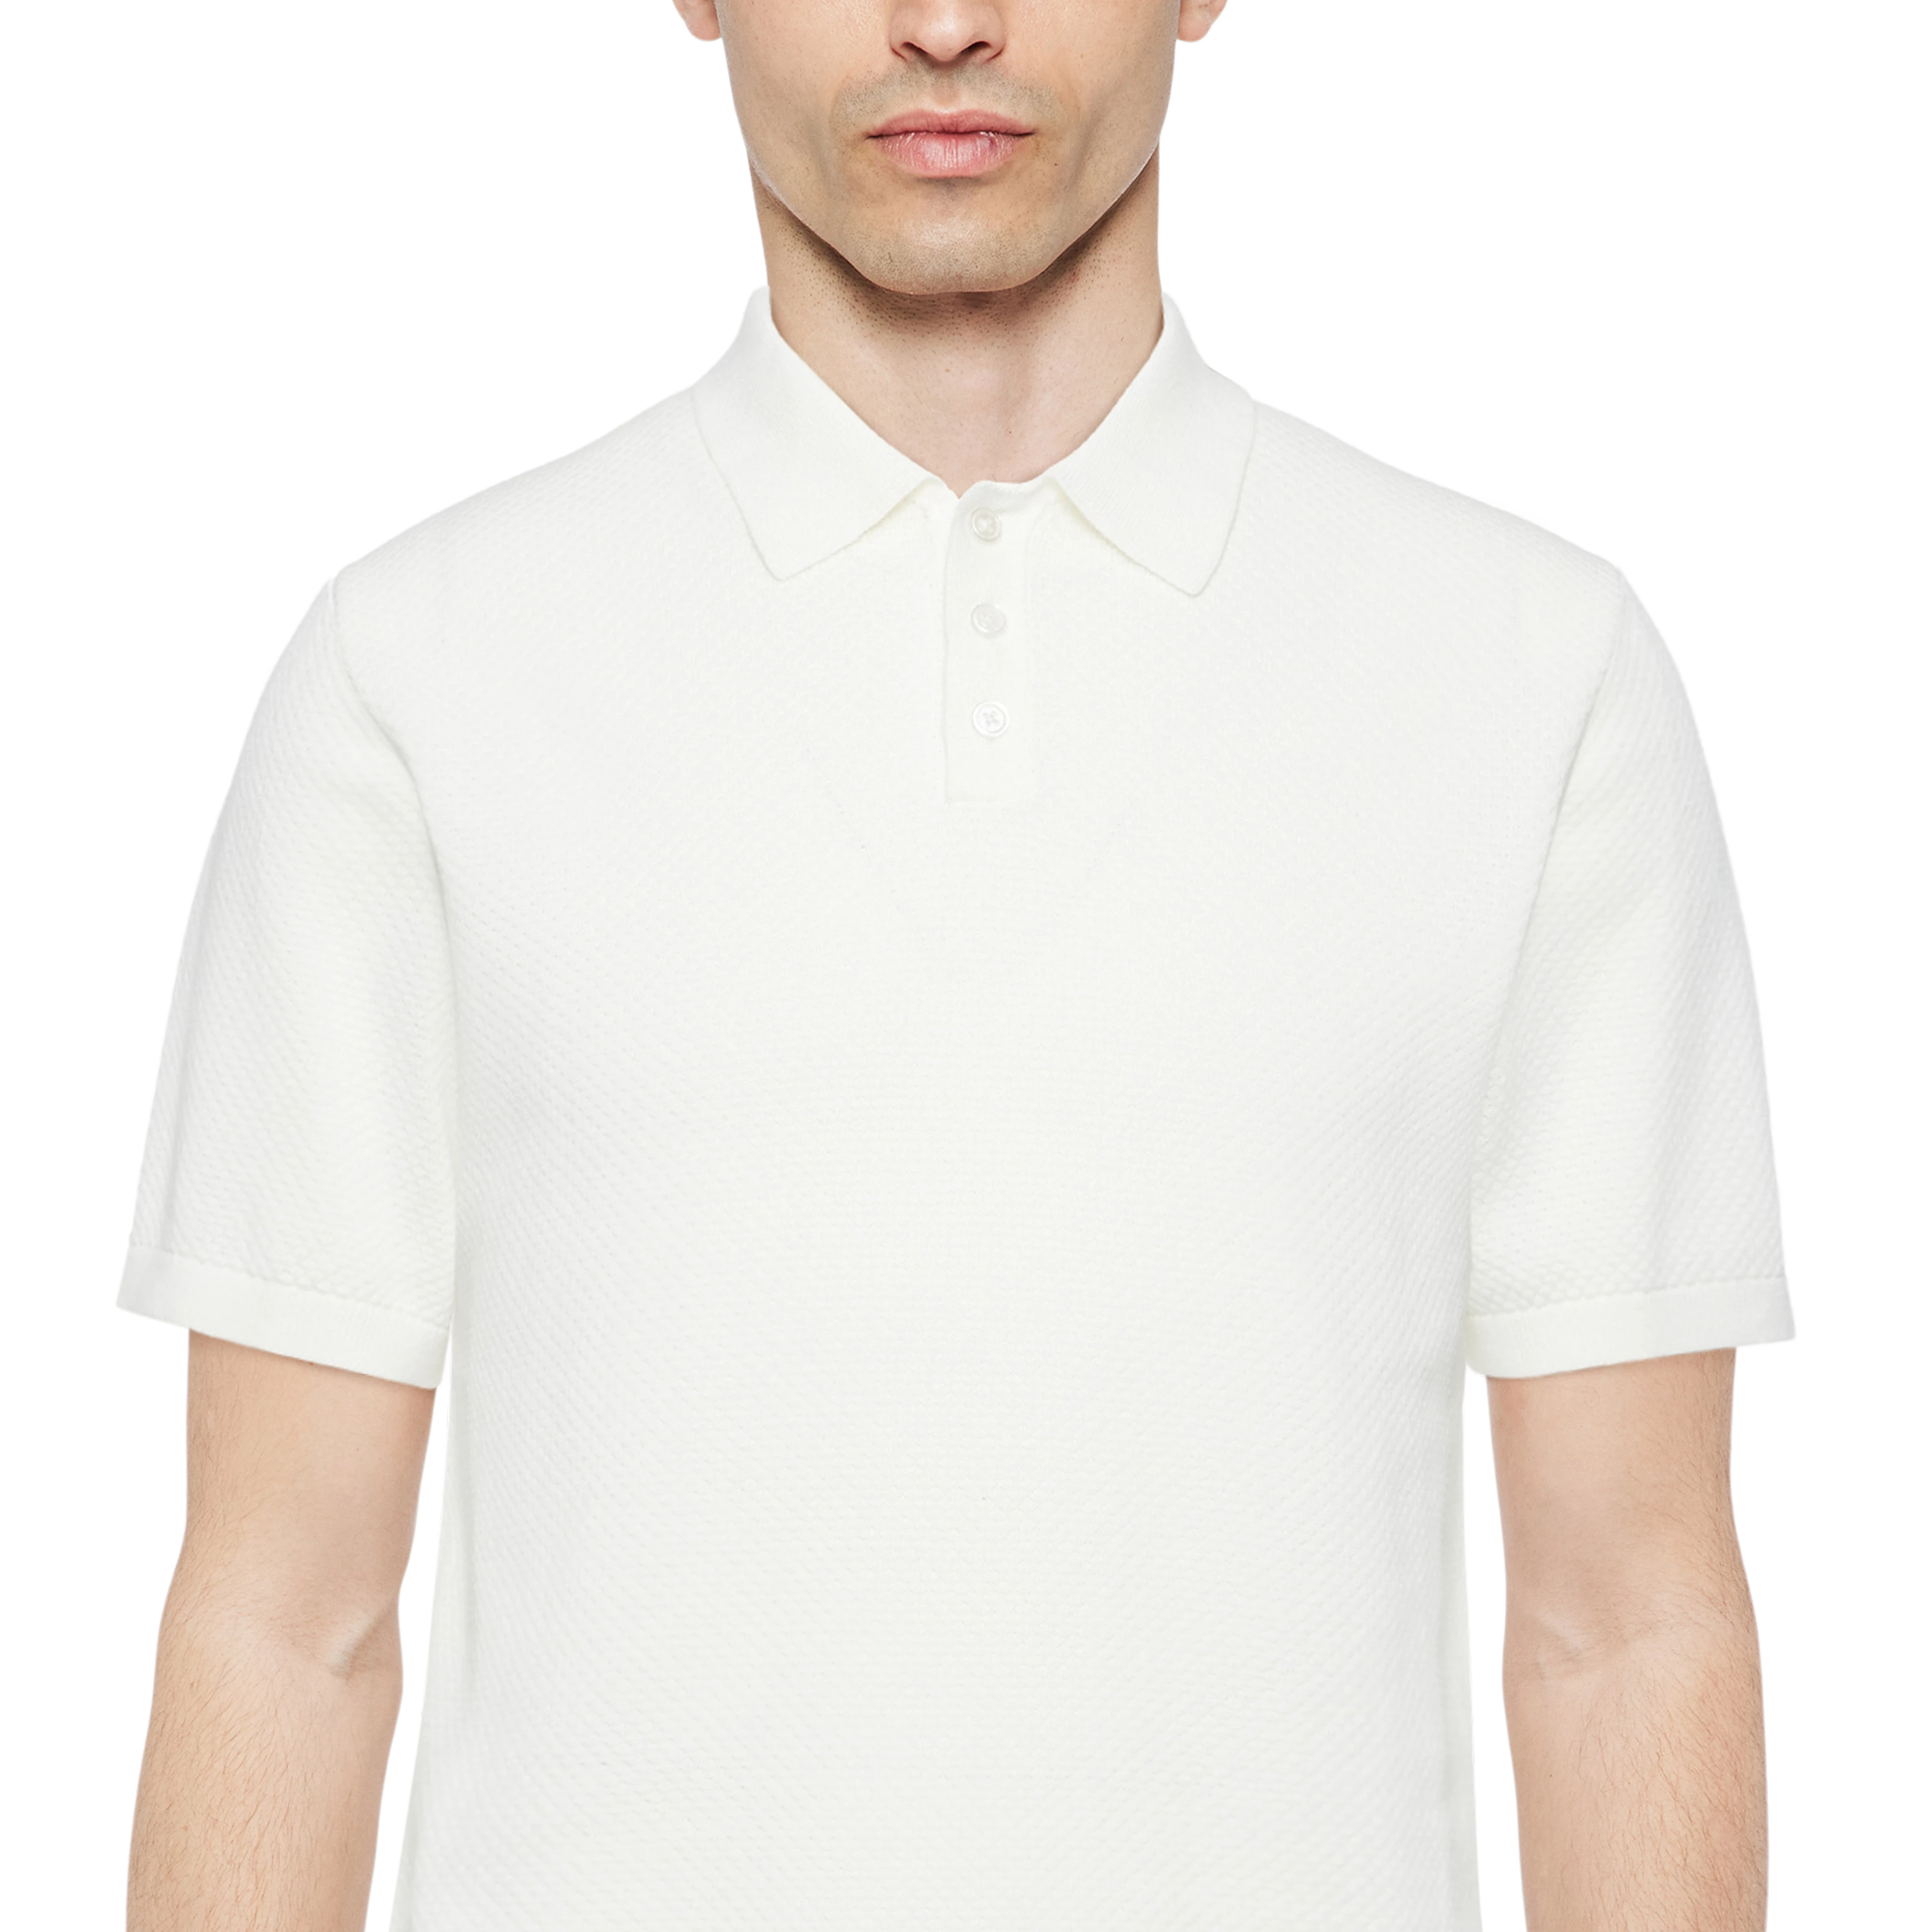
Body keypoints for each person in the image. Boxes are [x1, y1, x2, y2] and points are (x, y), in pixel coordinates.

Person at [113, 0, 1797, 1927]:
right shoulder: (415, 676)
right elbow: (285, 1622)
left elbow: (1626, 1620)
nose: (943, 24)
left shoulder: (1524, 678)